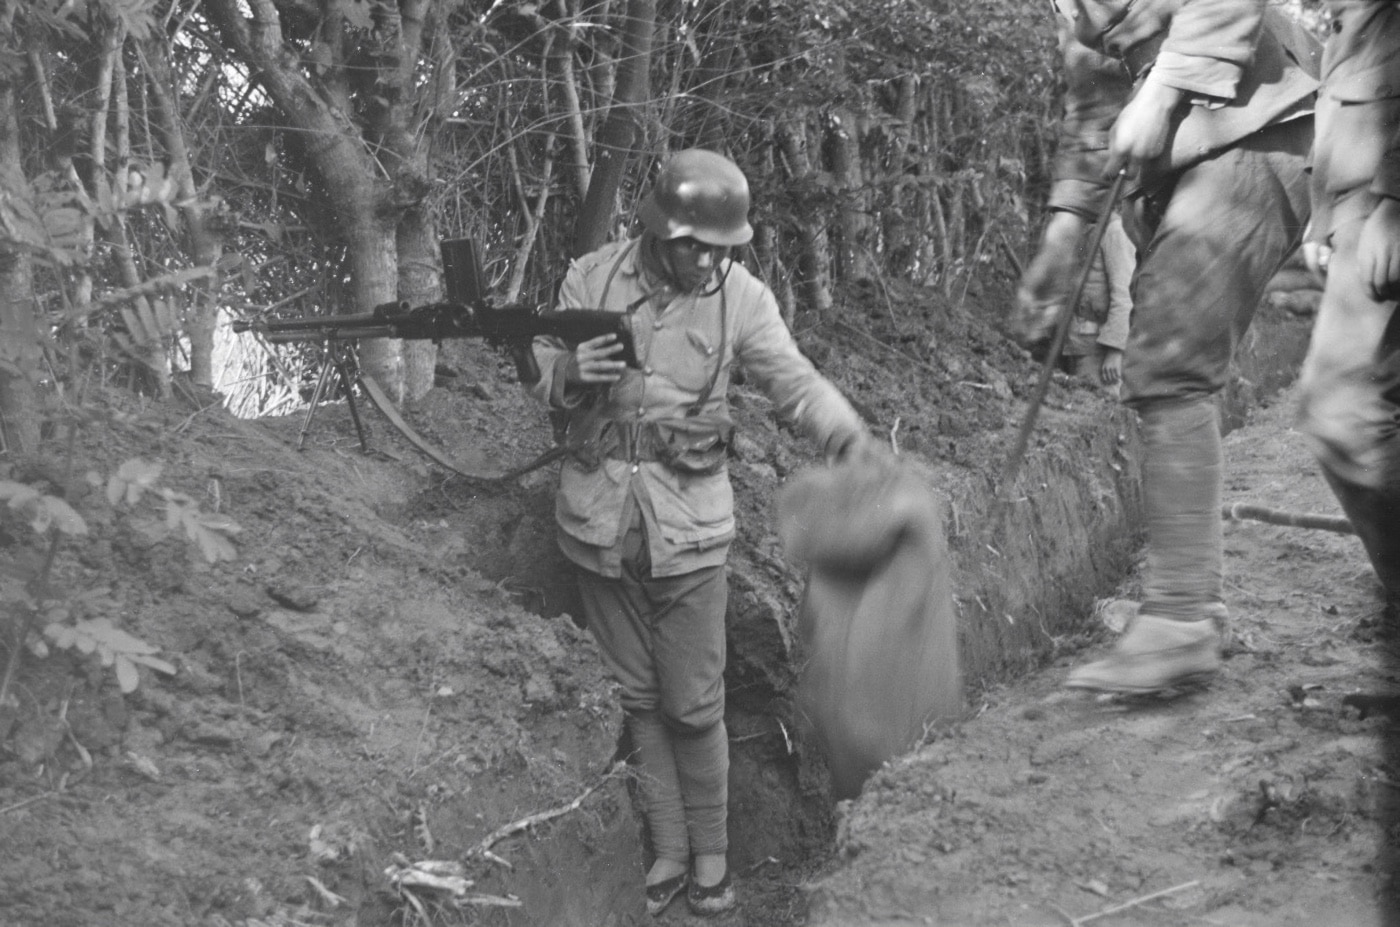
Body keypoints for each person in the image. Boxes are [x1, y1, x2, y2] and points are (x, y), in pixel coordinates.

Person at [528, 148, 875, 917]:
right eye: (697, 244)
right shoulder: (591, 277)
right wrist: (566, 373)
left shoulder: (741, 299)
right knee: (638, 700)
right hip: (599, 524)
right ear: (658, 229)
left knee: (693, 703)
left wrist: (848, 438)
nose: (711, 259)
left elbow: (794, 381)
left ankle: (713, 859)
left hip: (689, 531)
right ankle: (669, 853)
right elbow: (540, 359)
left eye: (723, 246)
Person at [1012, 0, 1320, 693]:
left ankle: (1181, 617)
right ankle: (1184, 601)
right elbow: (1095, 101)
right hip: (1189, 153)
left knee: (1170, 354)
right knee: (1165, 355)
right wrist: (1062, 242)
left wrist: (1163, 87)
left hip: (1264, 119)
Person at [1295, 1, 1400, 599]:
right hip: (1360, 211)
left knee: (1340, 415)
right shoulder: (1348, 22)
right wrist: (1323, 222)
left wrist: (1393, 200)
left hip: (1382, 210)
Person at [1057, 209, 1134, 392]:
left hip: (1099, 350)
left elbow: (1125, 294)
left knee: (1097, 411)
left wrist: (1116, 351)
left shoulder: (1115, 231)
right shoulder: (1086, 229)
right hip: (1076, 342)